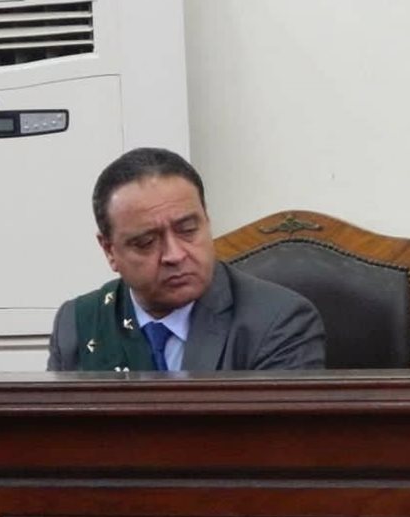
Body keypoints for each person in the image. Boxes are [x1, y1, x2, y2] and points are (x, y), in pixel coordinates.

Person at [48, 148, 326, 371]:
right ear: (109, 250)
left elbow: (275, 428)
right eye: (146, 242)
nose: (175, 255)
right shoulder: (78, 324)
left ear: (207, 220)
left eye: (188, 230)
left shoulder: (278, 322)